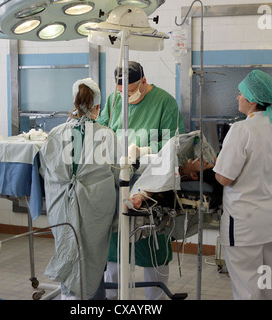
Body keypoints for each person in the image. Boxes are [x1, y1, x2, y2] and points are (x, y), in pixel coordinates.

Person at [98, 61, 185, 300]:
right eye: (120, 93)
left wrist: (144, 150)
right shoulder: (113, 101)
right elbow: (103, 131)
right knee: (116, 245)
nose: (124, 97)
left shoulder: (165, 102)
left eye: (130, 91)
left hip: (151, 185)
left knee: (152, 244)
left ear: (143, 82)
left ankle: (155, 301)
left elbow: (174, 145)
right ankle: (113, 299)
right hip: (118, 183)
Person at [39, 78, 122, 300]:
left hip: (61, 206)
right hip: (94, 210)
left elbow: (44, 169)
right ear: (98, 107)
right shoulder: (106, 136)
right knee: (92, 258)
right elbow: (119, 175)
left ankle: (70, 297)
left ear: (74, 102)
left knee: (68, 251)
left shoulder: (56, 134)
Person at [212, 70, 272, 300]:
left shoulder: (242, 129)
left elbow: (225, 178)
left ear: (253, 100)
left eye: (241, 94)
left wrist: (214, 167)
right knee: (269, 283)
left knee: (248, 287)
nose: (237, 98)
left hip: (247, 226)